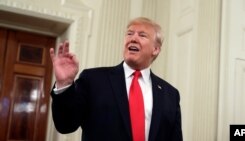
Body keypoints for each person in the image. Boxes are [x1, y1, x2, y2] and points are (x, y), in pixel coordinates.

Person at [50, 17, 183, 141]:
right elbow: (65, 125)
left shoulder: (170, 94)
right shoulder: (93, 79)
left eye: (142, 35)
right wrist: (64, 84)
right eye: (129, 34)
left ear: (156, 49)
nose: (133, 39)